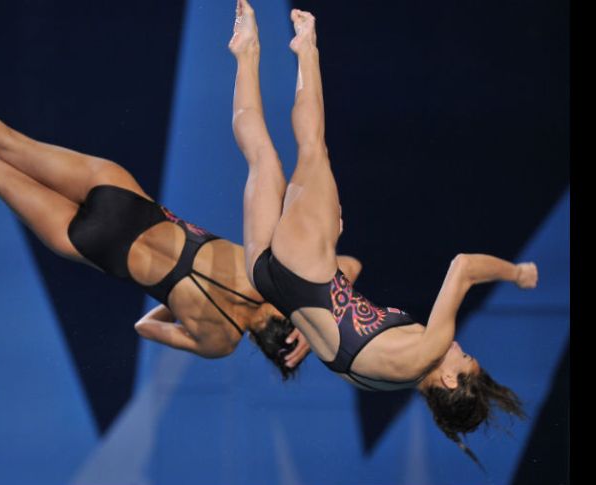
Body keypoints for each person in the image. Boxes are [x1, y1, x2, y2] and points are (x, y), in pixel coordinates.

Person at [228, 0, 535, 463]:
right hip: (274, 280)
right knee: (262, 158)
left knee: (313, 149)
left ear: (450, 380)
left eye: (463, 357)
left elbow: (464, 267)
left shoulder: (427, 349)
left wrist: (516, 273)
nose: (456, 346)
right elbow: (334, 325)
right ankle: (246, 51)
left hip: (305, 270)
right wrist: (323, 242)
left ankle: (306, 47)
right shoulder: (380, 380)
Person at [0, 89, 362, 377]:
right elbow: (144, 327)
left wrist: (313, 321)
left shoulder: (274, 279)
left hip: (124, 200)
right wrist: (178, 300)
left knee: (9, 144)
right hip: (97, 246)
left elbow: (348, 265)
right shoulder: (220, 342)